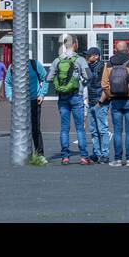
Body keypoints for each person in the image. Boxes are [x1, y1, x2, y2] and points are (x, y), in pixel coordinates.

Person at [47, 35, 91, 164]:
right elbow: (89, 76)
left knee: (64, 128)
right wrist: (82, 82)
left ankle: (65, 156)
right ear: (75, 44)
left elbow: (48, 78)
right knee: (79, 128)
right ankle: (83, 156)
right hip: (76, 95)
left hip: (62, 97)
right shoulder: (80, 60)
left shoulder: (57, 60)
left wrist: (58, 80)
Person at [101, 41, 129, 166]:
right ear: (127, 50)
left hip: (115, 100)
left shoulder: (109, 63)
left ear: (115, 50)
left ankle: (117, 159)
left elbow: (104, 84)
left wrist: (110, 94)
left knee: (117, 130)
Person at [5, 51, 49, 157]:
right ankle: (22, 154)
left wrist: (42, 94)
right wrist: (10, 97)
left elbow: (45, 79)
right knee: (20, 128)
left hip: (34, 100)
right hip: (19, 102)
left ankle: (40, 154)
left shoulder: (35, 64)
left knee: (35, 128)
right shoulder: (12, 67)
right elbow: (8, 82)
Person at [85, 47, 110, 164]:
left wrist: (101, 101)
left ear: (96, 56)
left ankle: (105, 154)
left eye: (89, 55)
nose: (87, 57)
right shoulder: (89, 66)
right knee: (94, 130)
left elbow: (105, 85)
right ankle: (96, 153)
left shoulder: (102, 67)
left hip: (100, 102)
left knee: (102, 130)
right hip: (91, 102)